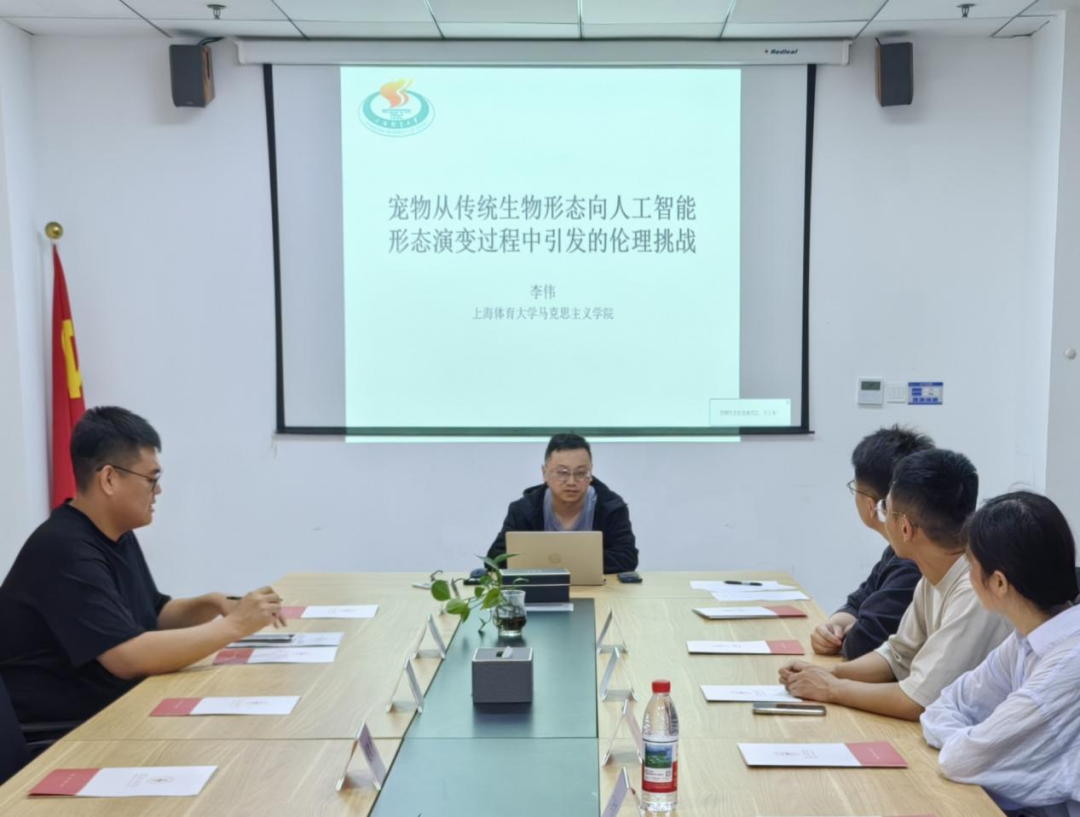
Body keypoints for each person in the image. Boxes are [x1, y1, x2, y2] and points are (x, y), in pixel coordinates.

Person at [0, 407, 283, 734]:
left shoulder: (116, 534)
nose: (157, 491)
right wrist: (234, 627)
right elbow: (127, 657)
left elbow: (153, 615)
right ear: (109, 479)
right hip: (62, 734)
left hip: (113, 714)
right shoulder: (63, 548)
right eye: (151, 479)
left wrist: (214, 603)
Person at [780, 449, 1011, 720]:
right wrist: (830, 673)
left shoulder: (975, 590)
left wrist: (832, 688)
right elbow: (897, 656)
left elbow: (919, 700)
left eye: (885, 510)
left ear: (905, 528)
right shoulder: (933, 574)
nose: (881, 517)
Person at [921, 492, 1080, 817]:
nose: (968, 577)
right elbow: (945, 705)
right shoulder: (1026, 639)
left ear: (998, 582)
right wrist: (976, 741)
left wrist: (977, 745)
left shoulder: (1068, 664)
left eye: (971, 565)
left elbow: (961, 761)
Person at [813, 426, 931, 659]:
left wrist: (850, 633)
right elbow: (857, 603)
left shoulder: (913, 563)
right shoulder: (896, 551)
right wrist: (833, 627)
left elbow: (864, 641)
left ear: (872, 505)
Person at [487, 433, 638, 574]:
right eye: (562, 473)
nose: (571, 482)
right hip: (541, 589)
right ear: (544, 473)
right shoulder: (524, 510)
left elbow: (627, 558)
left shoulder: (611, 508)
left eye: (580, 473)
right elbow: (494, 559)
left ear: (590, 474)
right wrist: (578, 561)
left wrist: (556, 560)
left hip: (597, 588)